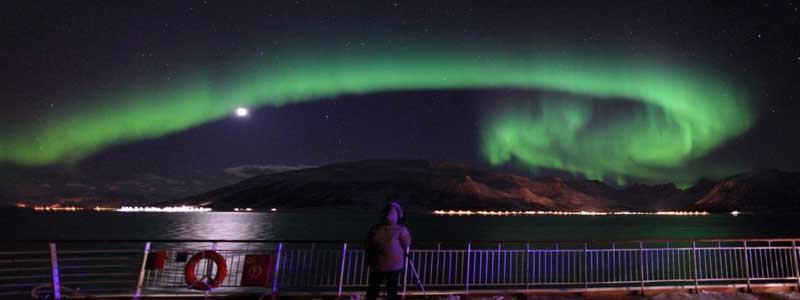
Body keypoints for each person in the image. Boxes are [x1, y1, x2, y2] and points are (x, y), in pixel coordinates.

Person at [365, 202, 411, 300]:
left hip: (377, 263)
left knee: (373, 287)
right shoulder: (400, 230)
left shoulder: (375, 229)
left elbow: (368, 243)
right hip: (395, 265)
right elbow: (407, 243)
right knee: (392, 288)